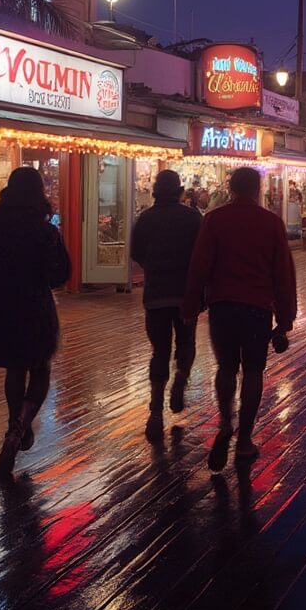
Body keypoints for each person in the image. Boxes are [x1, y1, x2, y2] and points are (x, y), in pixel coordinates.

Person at [183, 167, 297, 470]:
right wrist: (285, 319)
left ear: (230, 189)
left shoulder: (215, 220)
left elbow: (199, 267)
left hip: (222, 307)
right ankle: (245, 438)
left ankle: (224, 422)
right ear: (258, 190)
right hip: (257, 309)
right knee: (253, 371)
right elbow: (283, 275)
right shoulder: (271, 223)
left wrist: (190, 306)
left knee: (226, 368)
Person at [0, 166, 71, 480]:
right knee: (40, 369)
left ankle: (15, 424)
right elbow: (60, 274)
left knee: (15, 366)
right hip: (34, 307)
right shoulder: (45, 231)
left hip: (0, 308)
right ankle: (18, 427)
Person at [130, 169, 203, 441]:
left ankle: (155, 410)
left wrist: (153, 267)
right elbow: (202, 252)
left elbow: (136, 252)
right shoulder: (192, 218)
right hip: (185, 294)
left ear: (155, 192)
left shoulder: (145, 219)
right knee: (186, 343)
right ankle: (181, 379)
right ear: (180, 191)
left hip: (156, 294)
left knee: (159, 351)